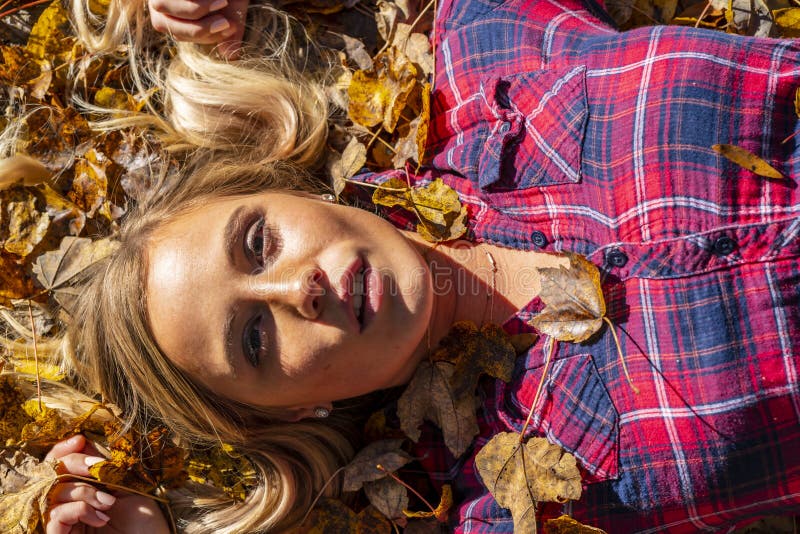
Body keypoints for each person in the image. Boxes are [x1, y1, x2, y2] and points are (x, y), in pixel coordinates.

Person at [43, 0, 800, 531]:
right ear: (291, 412)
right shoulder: (506, 503)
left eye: (258, 243)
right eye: (253, 339)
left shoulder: (482, 59)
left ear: (279, 187)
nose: (294, 289)